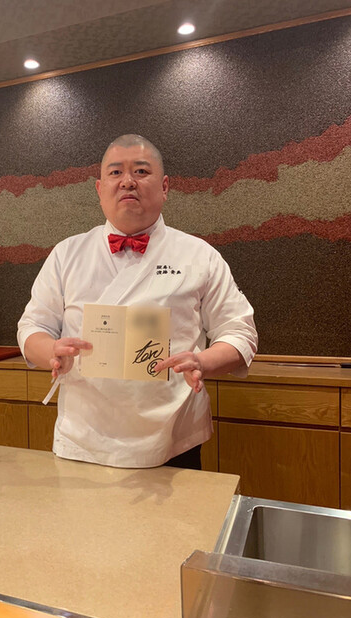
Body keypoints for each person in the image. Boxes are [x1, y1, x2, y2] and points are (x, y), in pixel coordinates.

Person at [17, 134, 257, 469]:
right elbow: (32, 326)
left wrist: (203, 361)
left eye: (141, 171)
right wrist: (50, 351)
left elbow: (240, 333)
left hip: (173, 438)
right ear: (99, 189)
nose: (128, 181)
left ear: (165, 186)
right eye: (115, 172)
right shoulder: (66, 254)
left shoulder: (199, 255)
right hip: (83, 438)